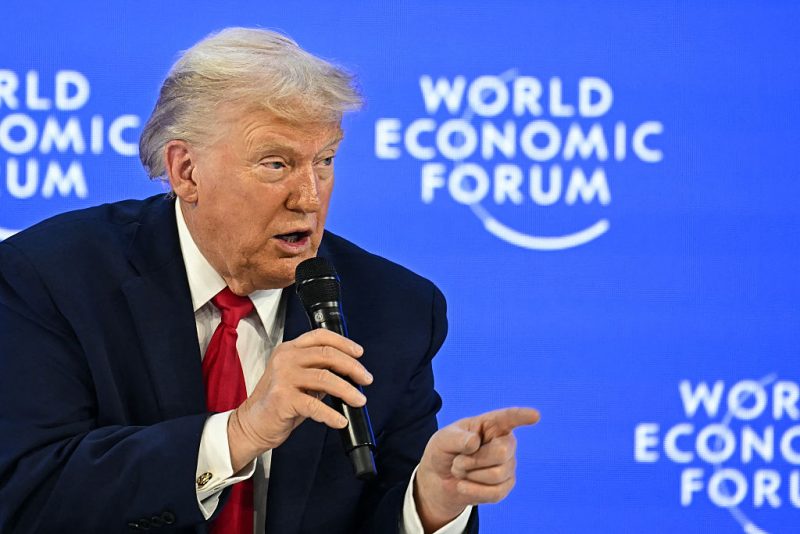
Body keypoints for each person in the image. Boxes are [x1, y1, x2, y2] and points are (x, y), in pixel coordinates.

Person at [0, 28, 539, 533]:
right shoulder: (50, 279)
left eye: (324, 160)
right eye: (276, 164)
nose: (309, 197)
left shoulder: (395, 309)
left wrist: (429, 501)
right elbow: (27, 495)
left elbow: (376, 506)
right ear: (186, 171)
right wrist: (239, 435)